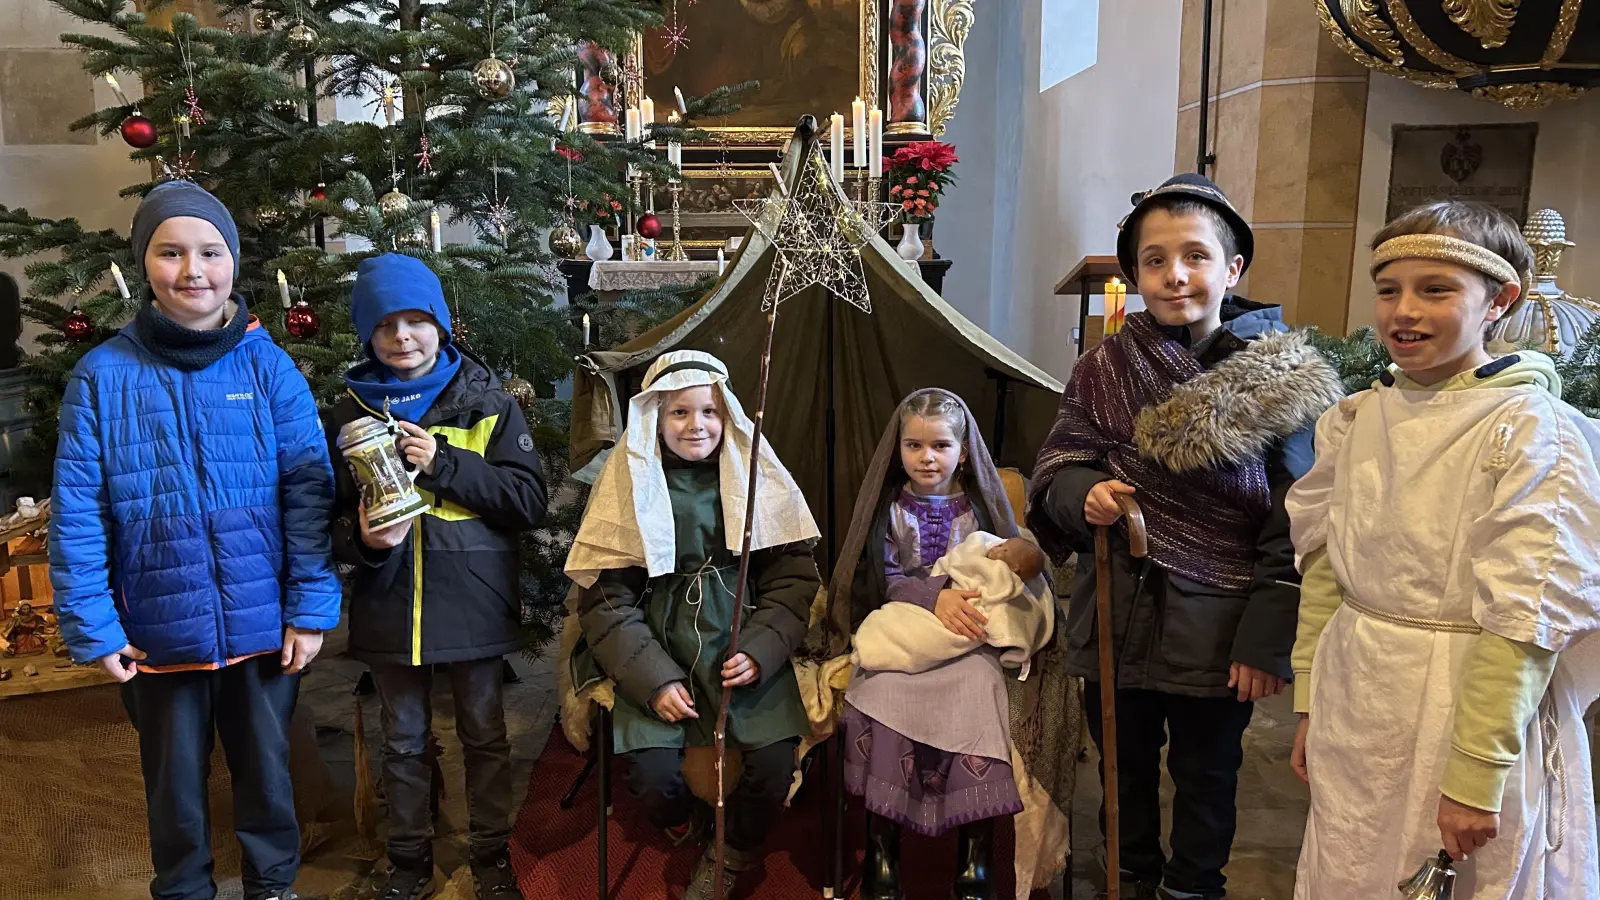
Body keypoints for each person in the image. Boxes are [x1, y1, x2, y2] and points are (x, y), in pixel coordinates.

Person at [1026, 174, 1343, 900]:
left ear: (1232, 270)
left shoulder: (1281, 376)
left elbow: (1297, 517)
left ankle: (1193, 888)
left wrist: (1266, 643)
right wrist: (1086, 495)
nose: (1175, 275)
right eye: (1155, 259)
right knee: (1119, 768)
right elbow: (1063, 458)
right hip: (1116, 605)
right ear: (1134, 273)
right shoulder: (1103, 366)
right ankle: (1129, 878)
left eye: (1196, 256)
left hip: (1218, 619)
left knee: (1207, 776)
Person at [1287, 200, 1600, 898]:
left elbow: (1528, 615)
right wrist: (1310, 702)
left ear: (1501, 300)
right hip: (1359, 691)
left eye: (1437, 290)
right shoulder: (1356, 419)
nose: (1405, 311)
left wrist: (1475, 775)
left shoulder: (1528, 431)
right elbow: (1326, 571)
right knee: (1349, 866)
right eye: (1390, 289)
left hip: (1466, 705)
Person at [50, 179, 340, 900]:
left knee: (268, 778)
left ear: (233, 262)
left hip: (261, 623)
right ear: (143, 264)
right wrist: (94, 623)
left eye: (211, 251)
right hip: (157, 631)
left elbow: (309, 492)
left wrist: (308, 606)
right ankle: (182, 890)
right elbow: (78, 511)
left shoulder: (268, 366)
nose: (193, 271)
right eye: (170, 252)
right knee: (175, 793)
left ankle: (274, 887)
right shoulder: (102, 375)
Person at [326, 253, 547, 900]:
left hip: (473, 602)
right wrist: (361, 541)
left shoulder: (488, 403)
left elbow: (528, 501)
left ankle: (490, 856)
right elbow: (329, 515)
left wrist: (444, 461)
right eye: (386, 324)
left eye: (417, 321)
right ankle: (408, 863)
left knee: (484, 734)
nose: (402, 338)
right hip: (389, 602)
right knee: (403, 741)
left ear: (441, 325)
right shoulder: (348, 414)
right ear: (367, 333)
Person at [566, 350, 821, 900]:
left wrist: (760, 650)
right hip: (658, 641)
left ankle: (733, 852)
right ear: (655, 418)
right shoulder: (629, 484)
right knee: (655, 781)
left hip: (740, 634)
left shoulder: (757, 480)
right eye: (679, 413)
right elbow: (607, 602)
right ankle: (684, 824)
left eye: (708, 412)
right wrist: (653, 679)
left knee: (775, 764)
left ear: (726, 415)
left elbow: (793, 582)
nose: (695, 425)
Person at [826, 388, 1062, 900]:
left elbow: (1006, 568)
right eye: (914, 446)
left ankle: (974, 855)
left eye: (940, 445)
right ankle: (883, 853)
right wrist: (933, 597)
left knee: (980, 691)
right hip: (904, 621)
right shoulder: (888, 508)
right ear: (899, 448)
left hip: (968, 633)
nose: (927, 457)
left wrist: (983, 588)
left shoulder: (978, 509)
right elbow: (883, 577)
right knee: (881, 689)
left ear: (963, 450)